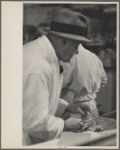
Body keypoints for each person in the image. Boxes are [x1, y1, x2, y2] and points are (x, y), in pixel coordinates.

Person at [23, 8, 91, 145]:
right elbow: (36, 124)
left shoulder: (44, 52)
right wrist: (65, 125)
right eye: (76, 45)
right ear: (63, 41)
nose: (77, 52)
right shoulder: (38, 66)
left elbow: (35, 96)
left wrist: (66, 107)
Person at [60, 44, 107, 119]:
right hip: (91, 106)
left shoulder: (68, 56)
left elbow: (60, 84)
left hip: (73, 110)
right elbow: (103, 81)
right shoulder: (93, 56)